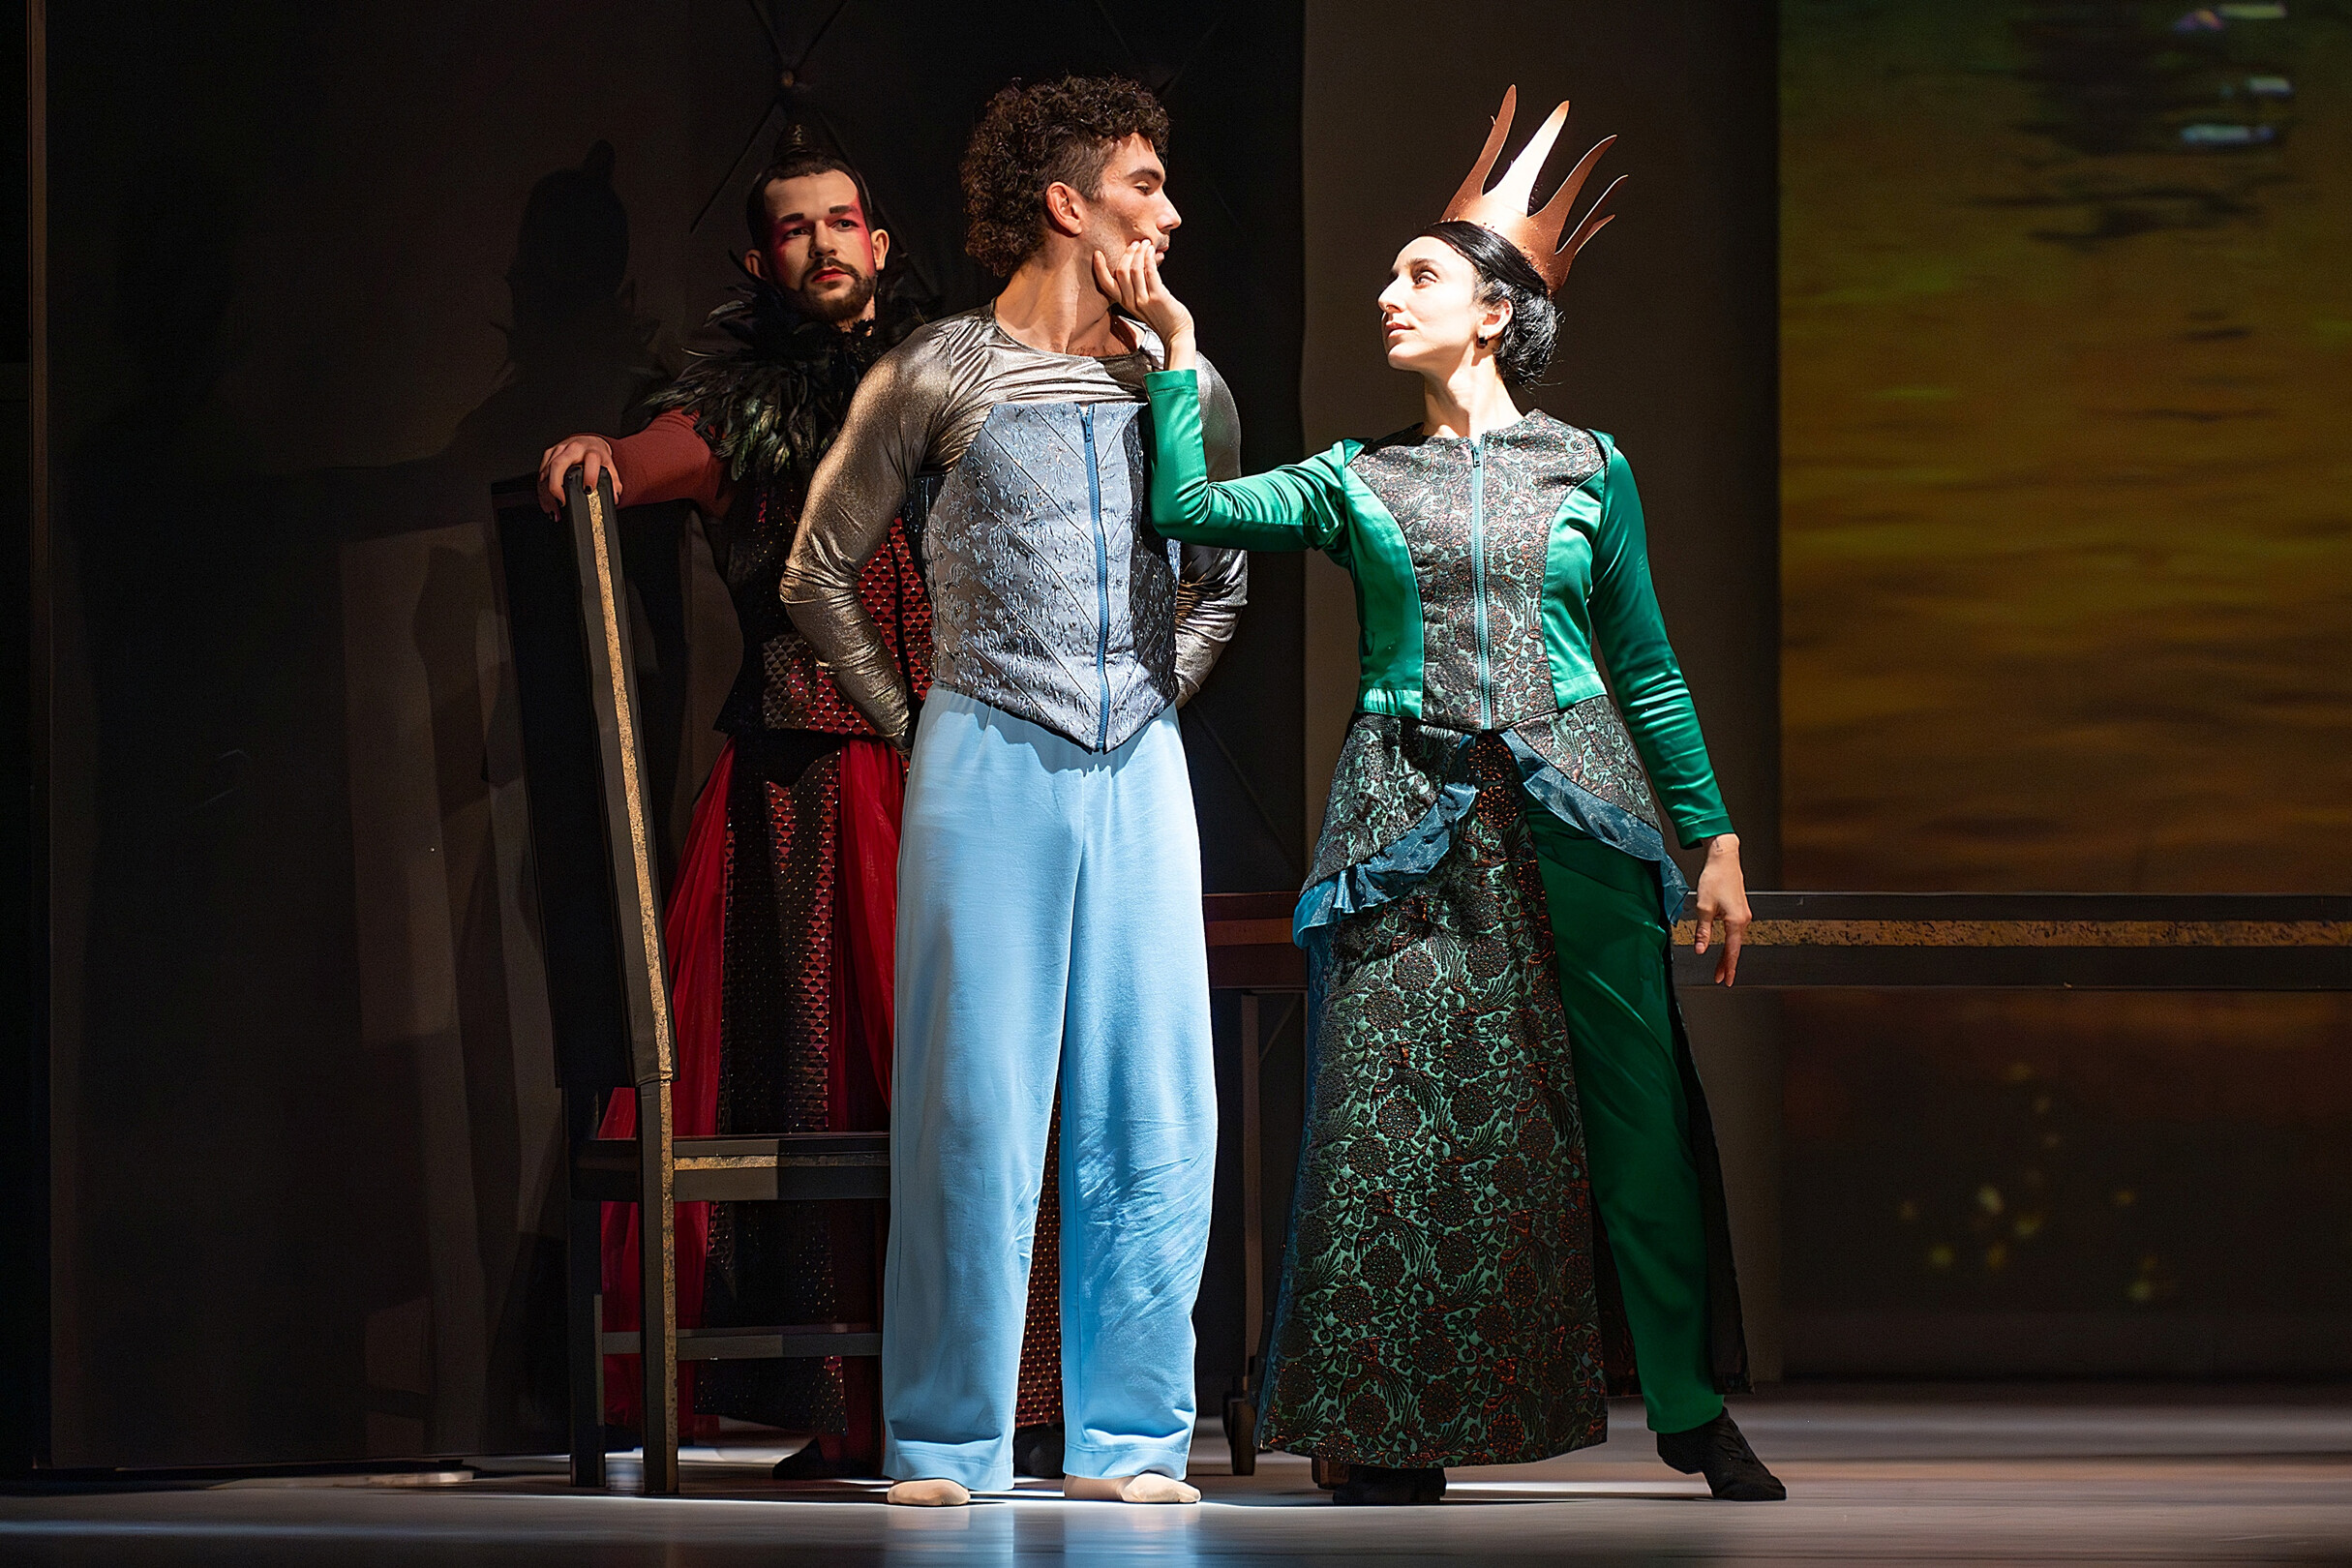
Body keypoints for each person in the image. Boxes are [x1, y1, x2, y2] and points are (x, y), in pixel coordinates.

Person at [1101, 87, 1786, 1505]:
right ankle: (1384, 1421)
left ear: (1495, 314)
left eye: (1418, 276)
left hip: (1581, 810)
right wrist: (1175, 351)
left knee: (1633, 1113)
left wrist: (1712, 835)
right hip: (1405, 822)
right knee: (1390, 1115)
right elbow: (1190, 510)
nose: (1386, 294)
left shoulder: (1589, 466)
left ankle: (1685, 1405)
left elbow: (1647, 667)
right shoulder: (1357, 479)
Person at [782, 75, 1248, 1506]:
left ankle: (1131, 1439)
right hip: (984, 753)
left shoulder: (1182, 384)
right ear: (1066, 203)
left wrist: (1146, 696)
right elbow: (816, 572)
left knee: (1154, 1100)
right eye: (1144, 184)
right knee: (973, 1103)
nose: (1169, 213)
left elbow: (1221, 581)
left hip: (1137, 759)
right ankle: (946, 1439)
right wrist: (918, 722)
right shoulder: (938, 370)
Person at [534, 138, 943, 1476]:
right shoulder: (742, 407)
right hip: (807, 780)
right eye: (794, 229)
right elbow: (658, 455)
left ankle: (997, 1390)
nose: (824, 245)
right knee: (823, 1071)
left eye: (842, 222)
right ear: (759, 259)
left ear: (880, 243)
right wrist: (604, 450)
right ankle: (846, 1400)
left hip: (964, 761)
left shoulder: (955, 380)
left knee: (960, 1071)